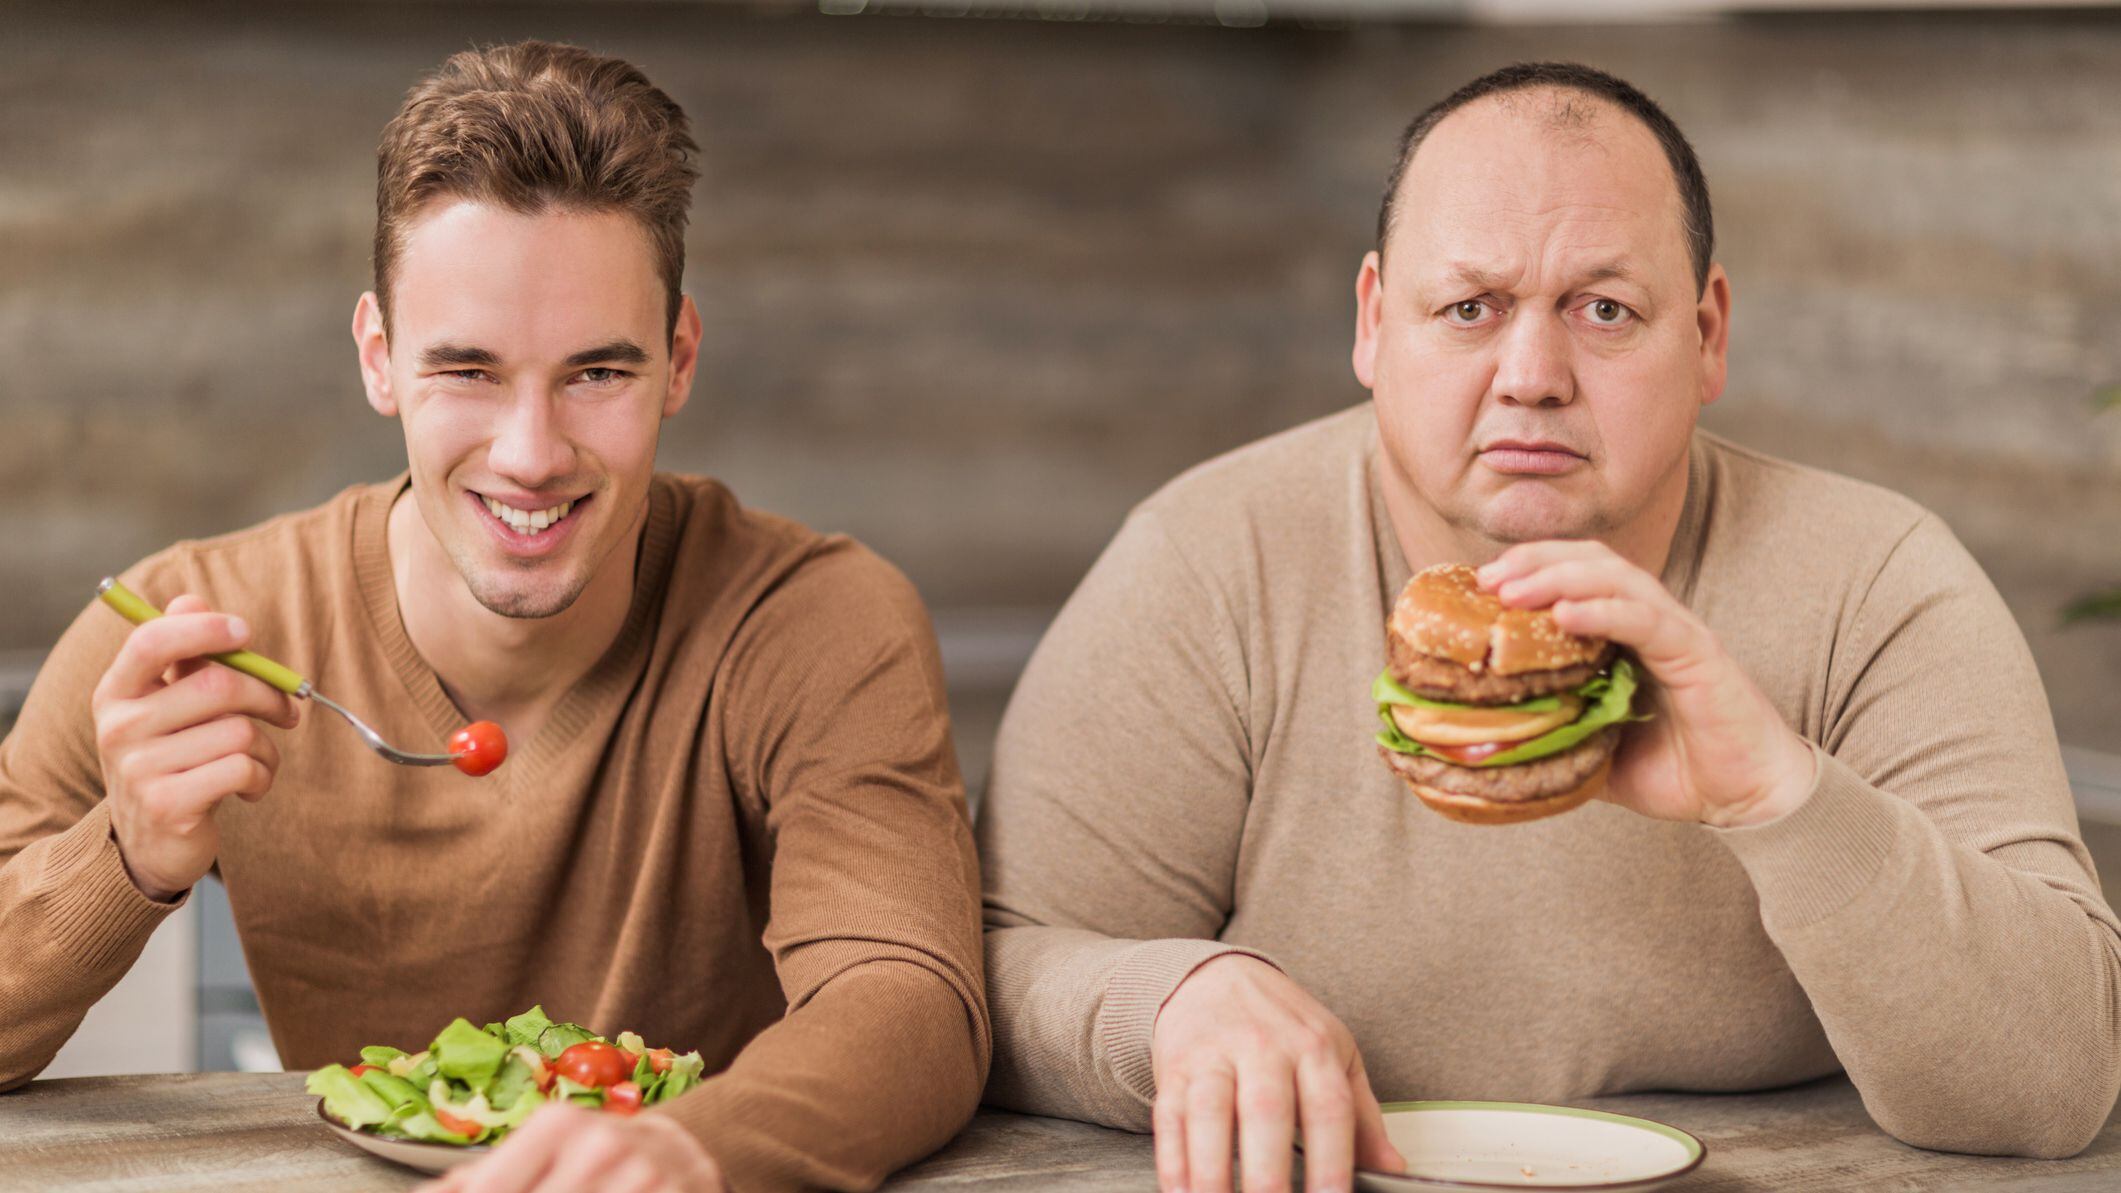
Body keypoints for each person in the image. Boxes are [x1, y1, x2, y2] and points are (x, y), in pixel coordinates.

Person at [978, 61, 2121, 1193]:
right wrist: (1166, 999)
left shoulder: (1876, 583)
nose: (1532, 376)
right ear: (1375, 322)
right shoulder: (1208, 559)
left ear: (1710, 333)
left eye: (1605, 309)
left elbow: (2053, 1083)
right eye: (1468, 307)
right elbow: (990, 965)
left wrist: (1781, 797)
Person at [0, 41, 986, 1193]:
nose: (530, 455)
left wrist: (683, 1147)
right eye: (467, 371)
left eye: (597, 375)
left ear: (678, 359)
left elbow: (910, 1002)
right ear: (379, 356)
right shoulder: (193, 628)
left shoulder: (815, 618)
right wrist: (123, 859)